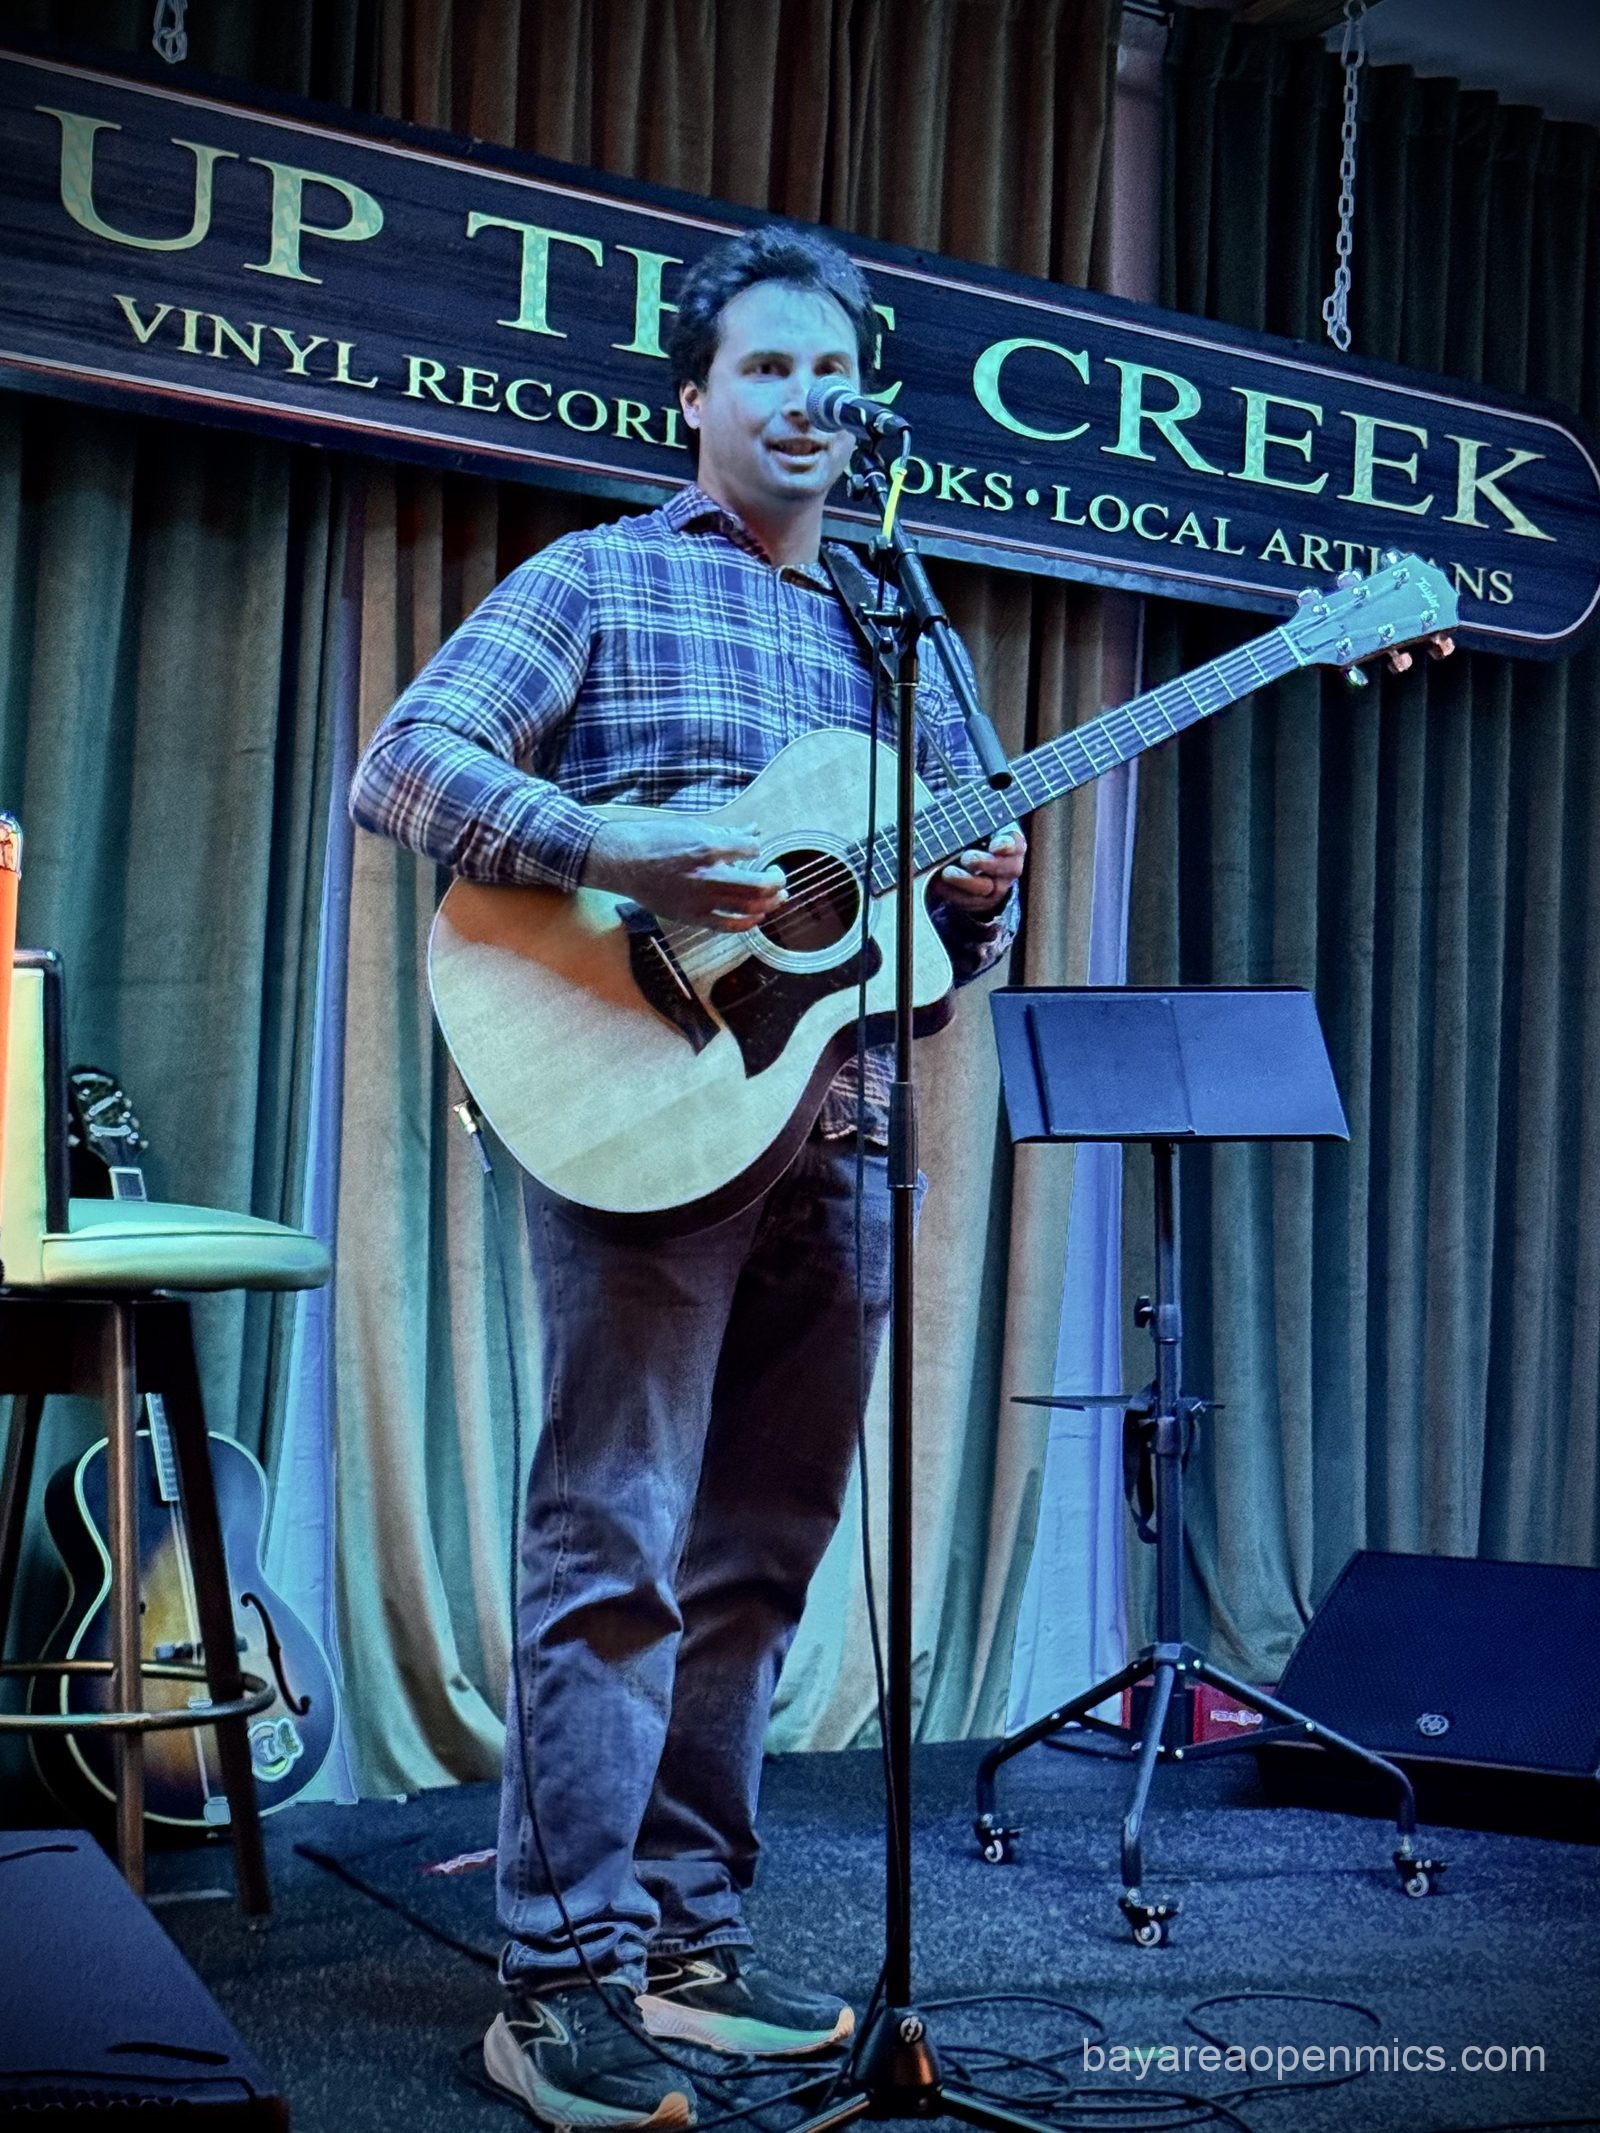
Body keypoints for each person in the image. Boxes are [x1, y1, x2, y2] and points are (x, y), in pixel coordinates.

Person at [350, 224, 1026, 2131]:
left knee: (758, 1553)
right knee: (616, 1541)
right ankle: (560, 1974)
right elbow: (406, 766)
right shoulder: (602, 576)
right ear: (696, 399)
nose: (810, 400)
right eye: (770, 369)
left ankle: (685, 1937)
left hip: (842, 1129)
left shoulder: (903, 633)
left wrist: (982, 894)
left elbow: (937, 957)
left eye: (835, 375)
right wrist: (623, 852)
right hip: (642, 1123)